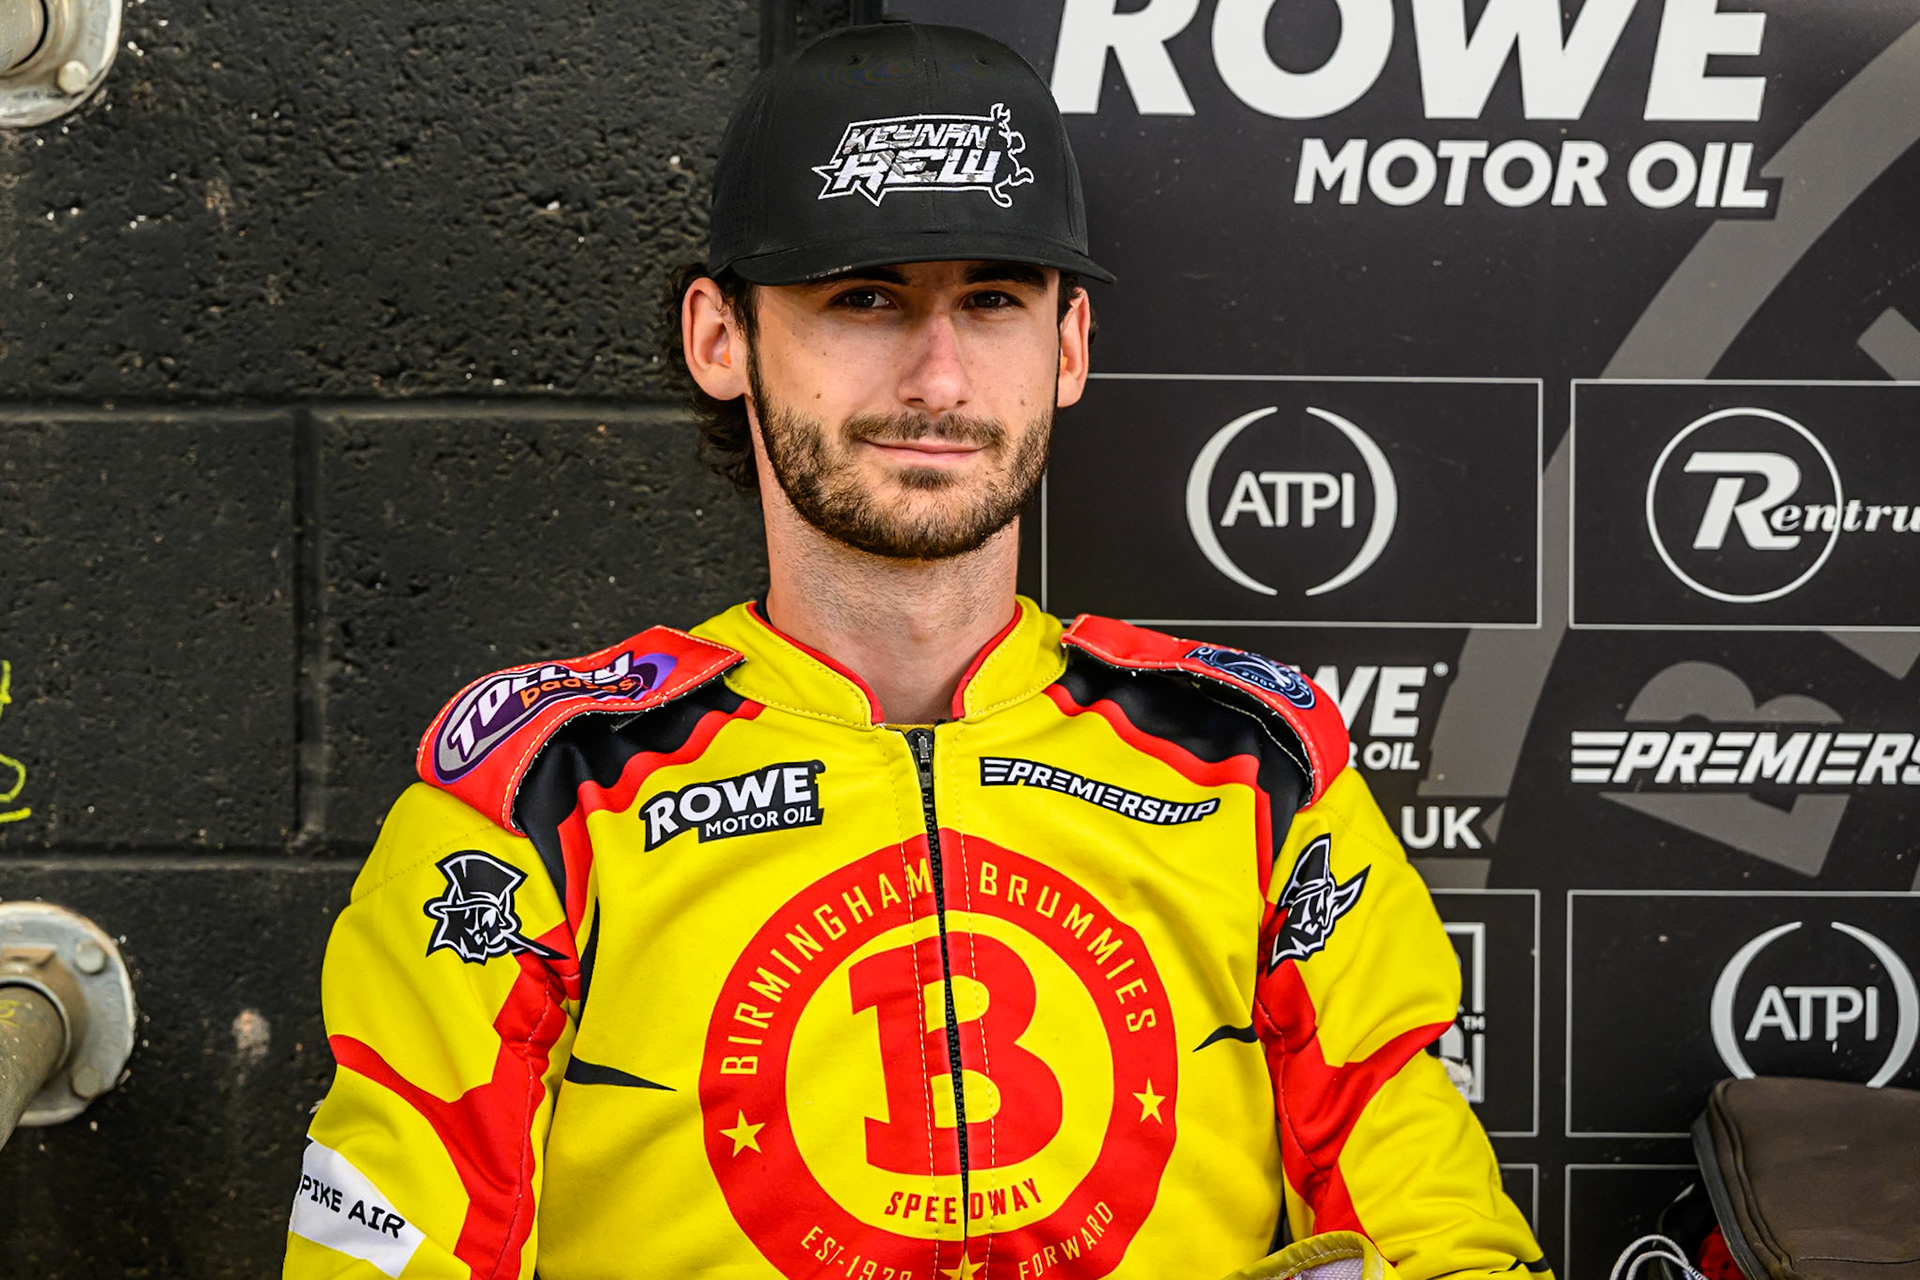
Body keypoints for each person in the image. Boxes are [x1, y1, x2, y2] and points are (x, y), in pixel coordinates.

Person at [284, 20, 1548, 1280]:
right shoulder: (542, 792)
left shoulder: (1254, 762)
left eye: (992, 299)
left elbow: (1440, 1225)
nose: (939, 376)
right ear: (720, 336)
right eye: (865, 296)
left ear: (1069, 346)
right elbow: (377, 1246)